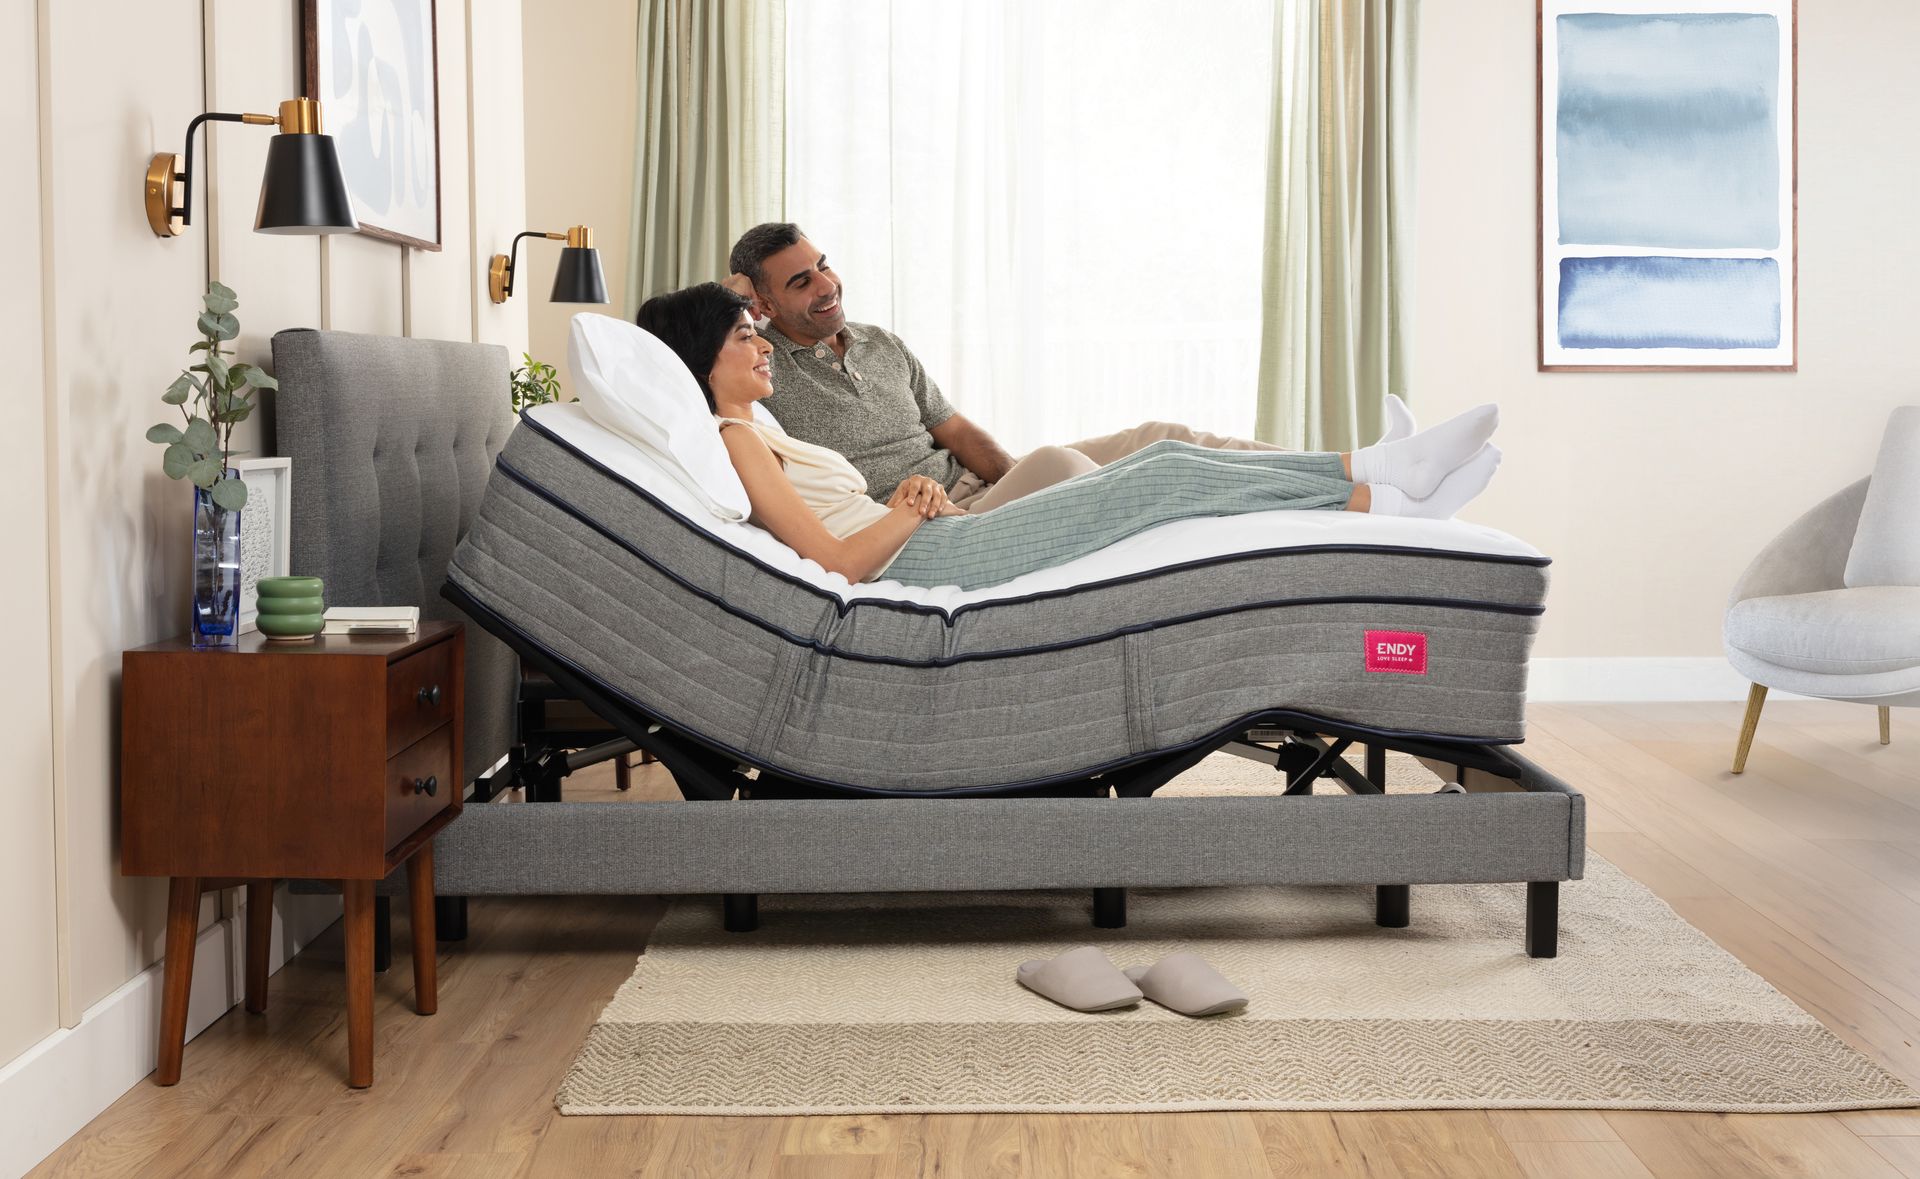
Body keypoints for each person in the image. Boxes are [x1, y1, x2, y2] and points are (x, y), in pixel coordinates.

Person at [638, 284, 1501, 593]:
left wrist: (914, 503)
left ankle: (1385, 491)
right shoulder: (735, 439)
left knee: (1162, 462)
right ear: (701, 356)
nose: (761, 343)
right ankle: (1385, 481)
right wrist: (907, 506)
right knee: (1160, 470)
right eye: (743, 332)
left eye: (759, 329)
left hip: (936, 540)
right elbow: (833, 563)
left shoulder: (762, 427)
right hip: (930, 560)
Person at [721, 222, 1418, 513]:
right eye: (801, 283)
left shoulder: (879, 342)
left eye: (823, 266)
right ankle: (1368, 502)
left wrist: (1023, 482)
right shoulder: (761, 366)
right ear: (761, 300)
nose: (826, 285)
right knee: (1143, 472)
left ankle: (1357, 468)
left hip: (981, 492)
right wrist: (737, 302)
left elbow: (959, 432)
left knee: (1159, 434)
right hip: (933, 520)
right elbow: (696, 336)